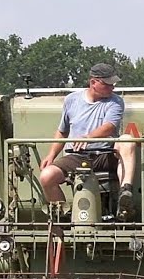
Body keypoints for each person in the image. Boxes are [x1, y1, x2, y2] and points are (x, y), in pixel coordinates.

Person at [39, 63, 138, 221]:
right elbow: (62, 131)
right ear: (93, 82)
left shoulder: (116, 102)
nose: (112, 88)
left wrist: (88, 137)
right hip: (77, 156)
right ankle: (64, 217)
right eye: (108, 84)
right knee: (47, 176)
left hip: (105, 154)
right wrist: (51, 155)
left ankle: (125, 193)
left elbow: (109, 127)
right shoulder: (71, 100)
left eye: (113, 84)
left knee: (127, 139)